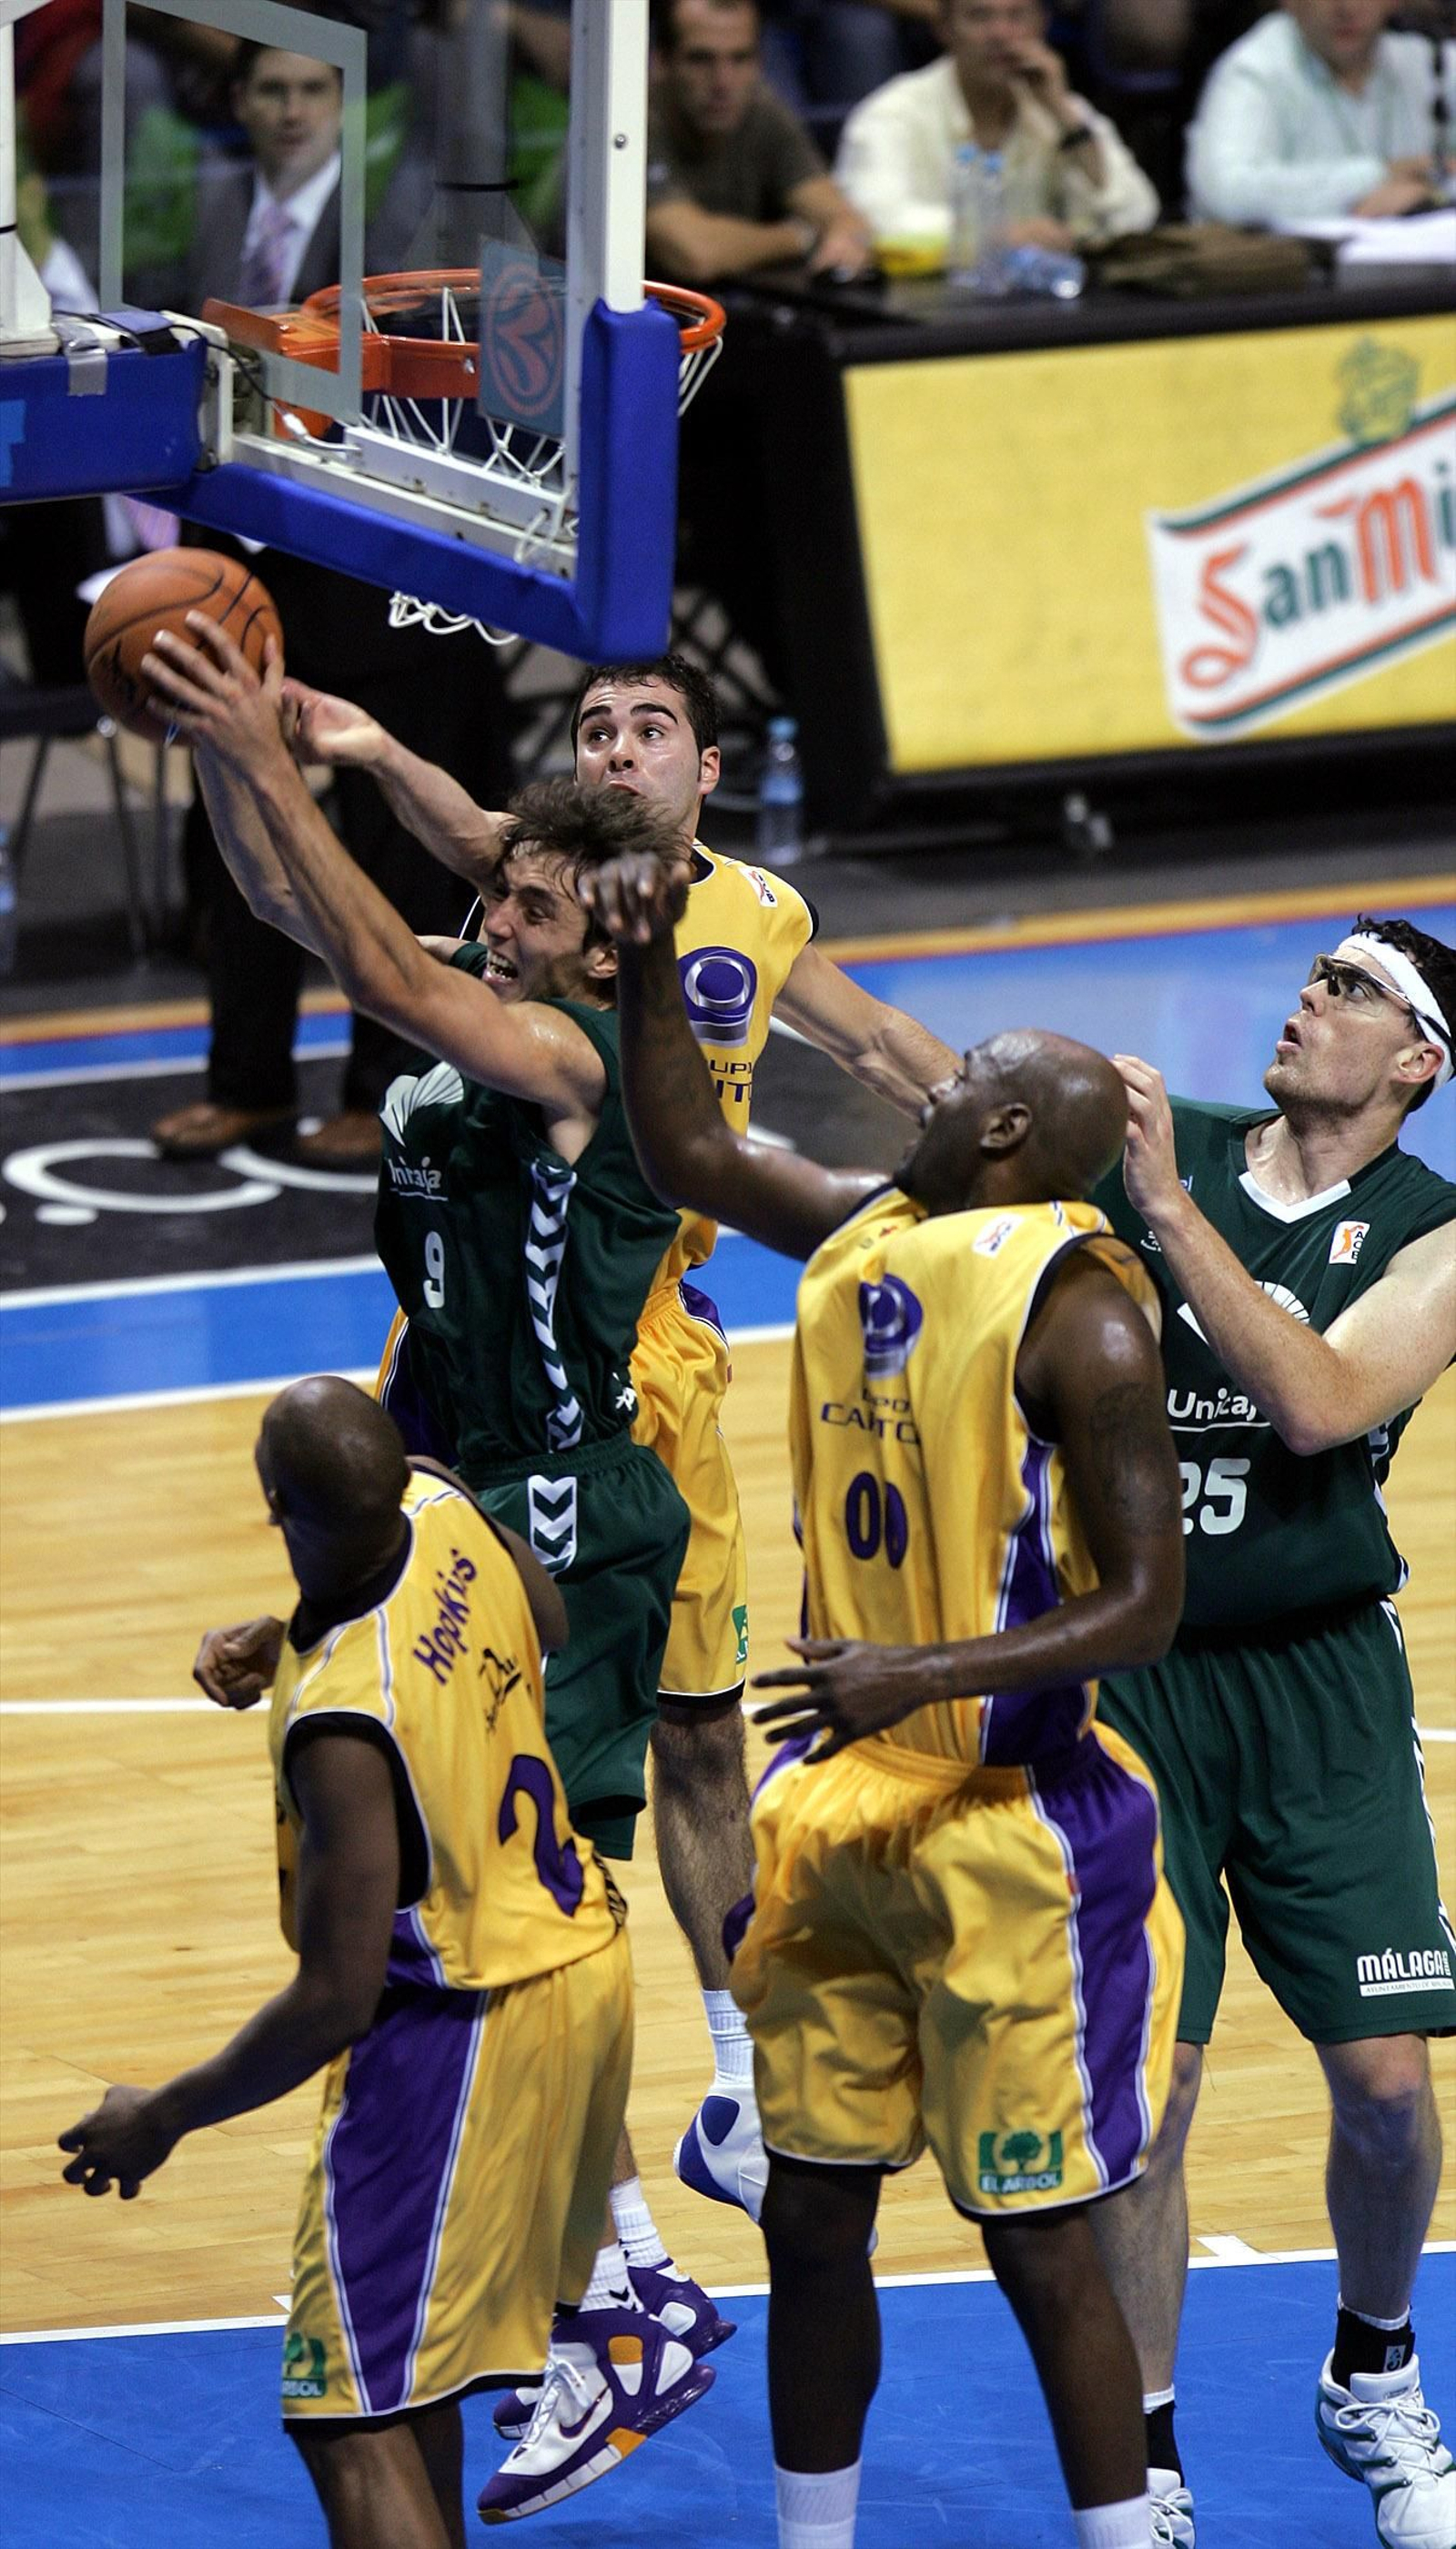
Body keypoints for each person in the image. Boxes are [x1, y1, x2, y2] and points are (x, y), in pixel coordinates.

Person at [145, 625, 724, 2518]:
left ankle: (619, 2273)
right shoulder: (476, 1025)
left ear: (594, 945)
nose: (498, 922)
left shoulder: (576, 1057)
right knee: (465, 1906)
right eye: (502, 895)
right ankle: (604, 2269)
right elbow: (305, 921)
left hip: (571, 1518)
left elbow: (378, 959)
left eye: (533, 906)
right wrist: (235, 758)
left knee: (484, 1913)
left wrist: (281, 744)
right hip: (465, 1488)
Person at [278, 647, 961, 2230]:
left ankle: (723, 2101)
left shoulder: (753, 913)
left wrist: (998, 1130)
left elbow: (875, 1048)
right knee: (516, 1766)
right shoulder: (546, 918)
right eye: (596, 729)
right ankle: (607, 2218)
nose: (623, 749)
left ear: (706, 769)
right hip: (529, 1339)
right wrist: (370, 751)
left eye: (653, 727)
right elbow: (457, 853)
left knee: (694, 1732)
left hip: (653, 1335)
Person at [585, 847, 1188, 2549]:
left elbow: (1145, 1606)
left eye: (972, 1070)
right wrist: (644, 970)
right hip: (839, 1801)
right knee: (808, 2225)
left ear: (1002, 1130)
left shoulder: (1090, 1318)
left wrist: (915, 1672)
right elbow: (687, 1150)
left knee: (1037, 2237)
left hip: (1015, 1830)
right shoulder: (870, 1232)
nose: (942, 1074)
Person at [57, 1378, 682, 2549]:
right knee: (413, 2381)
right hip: (581, 1960)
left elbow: (335, 1996)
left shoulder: (345, 1726)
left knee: (343, 2413)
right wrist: (290, 1629)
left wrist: (168, 2114)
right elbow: (541, 1623)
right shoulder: (441, 1501)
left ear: (277, 1503)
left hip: (458, 2024)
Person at [1087, 917, 1456, 2545]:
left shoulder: (1436, 1236)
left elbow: (1316, 1399)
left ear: (1418, 1064)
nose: (1315, 998)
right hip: (1138, 1680)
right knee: (1149, 2091)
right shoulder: (1159, 1150)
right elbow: (906, 1063)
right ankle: (1150, 2458)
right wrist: (733, 920)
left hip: (1320, 1689)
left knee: (1385, 2083)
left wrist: (1165, 1208)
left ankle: (1371, 2368)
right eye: (1317, 976)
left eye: (1357, 990)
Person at [151, 42, 512, 1176]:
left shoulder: (403, 216)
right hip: (243, 561)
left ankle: (385, 1085)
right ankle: (245, 1080)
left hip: (372, 561)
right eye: (272, 88)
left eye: (313, 89)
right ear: (240, 100)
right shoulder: (214, 210)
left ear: (346, 105)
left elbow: (447, 383)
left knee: (390, 843)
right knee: (236, 828)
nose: (292, 108)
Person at [835, 0, 1158, 262]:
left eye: (1017, 16)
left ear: (1040, 26)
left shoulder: (1061, 109)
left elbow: (1136, 213)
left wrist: (1063, 115)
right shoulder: (892, 113)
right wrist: (995, 238)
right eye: (980, 17)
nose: (1001, 34)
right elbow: (872, 220)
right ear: (944, 30)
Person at [646, 0, 875, 283]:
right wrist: (803, 236)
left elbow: (842, 216)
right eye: (701, 59)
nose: (723, 82)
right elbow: (694, 253)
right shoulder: (632, 126)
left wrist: (843, 233)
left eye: (740, 58)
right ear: (661, 63)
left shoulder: (760, 109)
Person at [1186, 0, 1451, 224]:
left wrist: (1429, 194)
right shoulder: (1255, 68)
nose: (1346, 8)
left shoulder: (1431, 60)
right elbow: (1224, 192)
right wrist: (1372, 180)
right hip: (1285, 279)